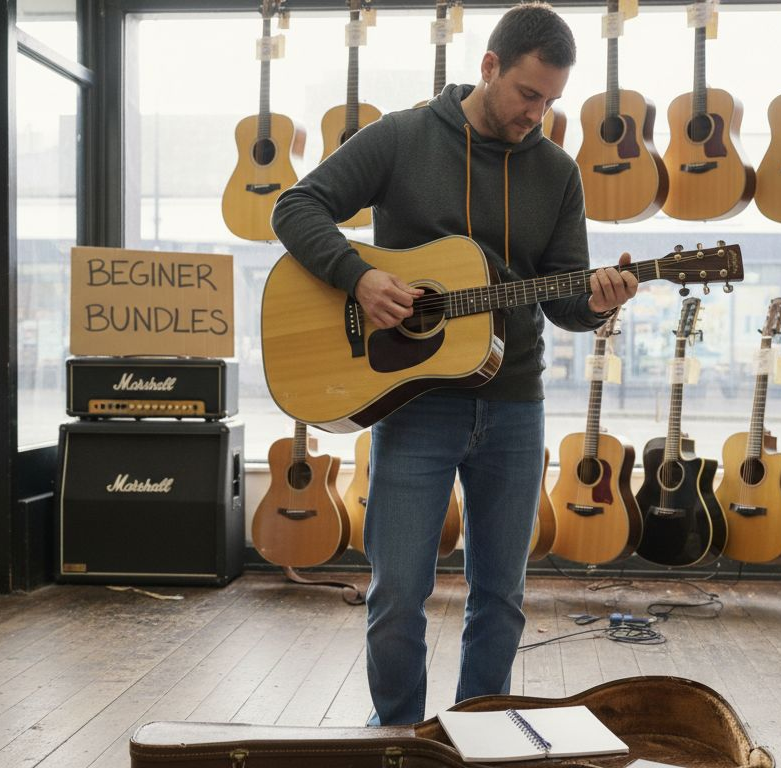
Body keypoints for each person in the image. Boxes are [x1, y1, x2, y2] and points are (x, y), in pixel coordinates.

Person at [270, 1, 638, 726]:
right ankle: (399, 734)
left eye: (551, 101)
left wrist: (601, 303)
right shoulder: (404, 137)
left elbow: (565, 298)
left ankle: (477, 734)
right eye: (528, 94)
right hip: (411, 403)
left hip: (513, 403)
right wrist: (359, 277)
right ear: (490, 66)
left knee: (500, 594)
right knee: (398, 592)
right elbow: (296, 207)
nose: (538, 113)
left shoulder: (559, 172)